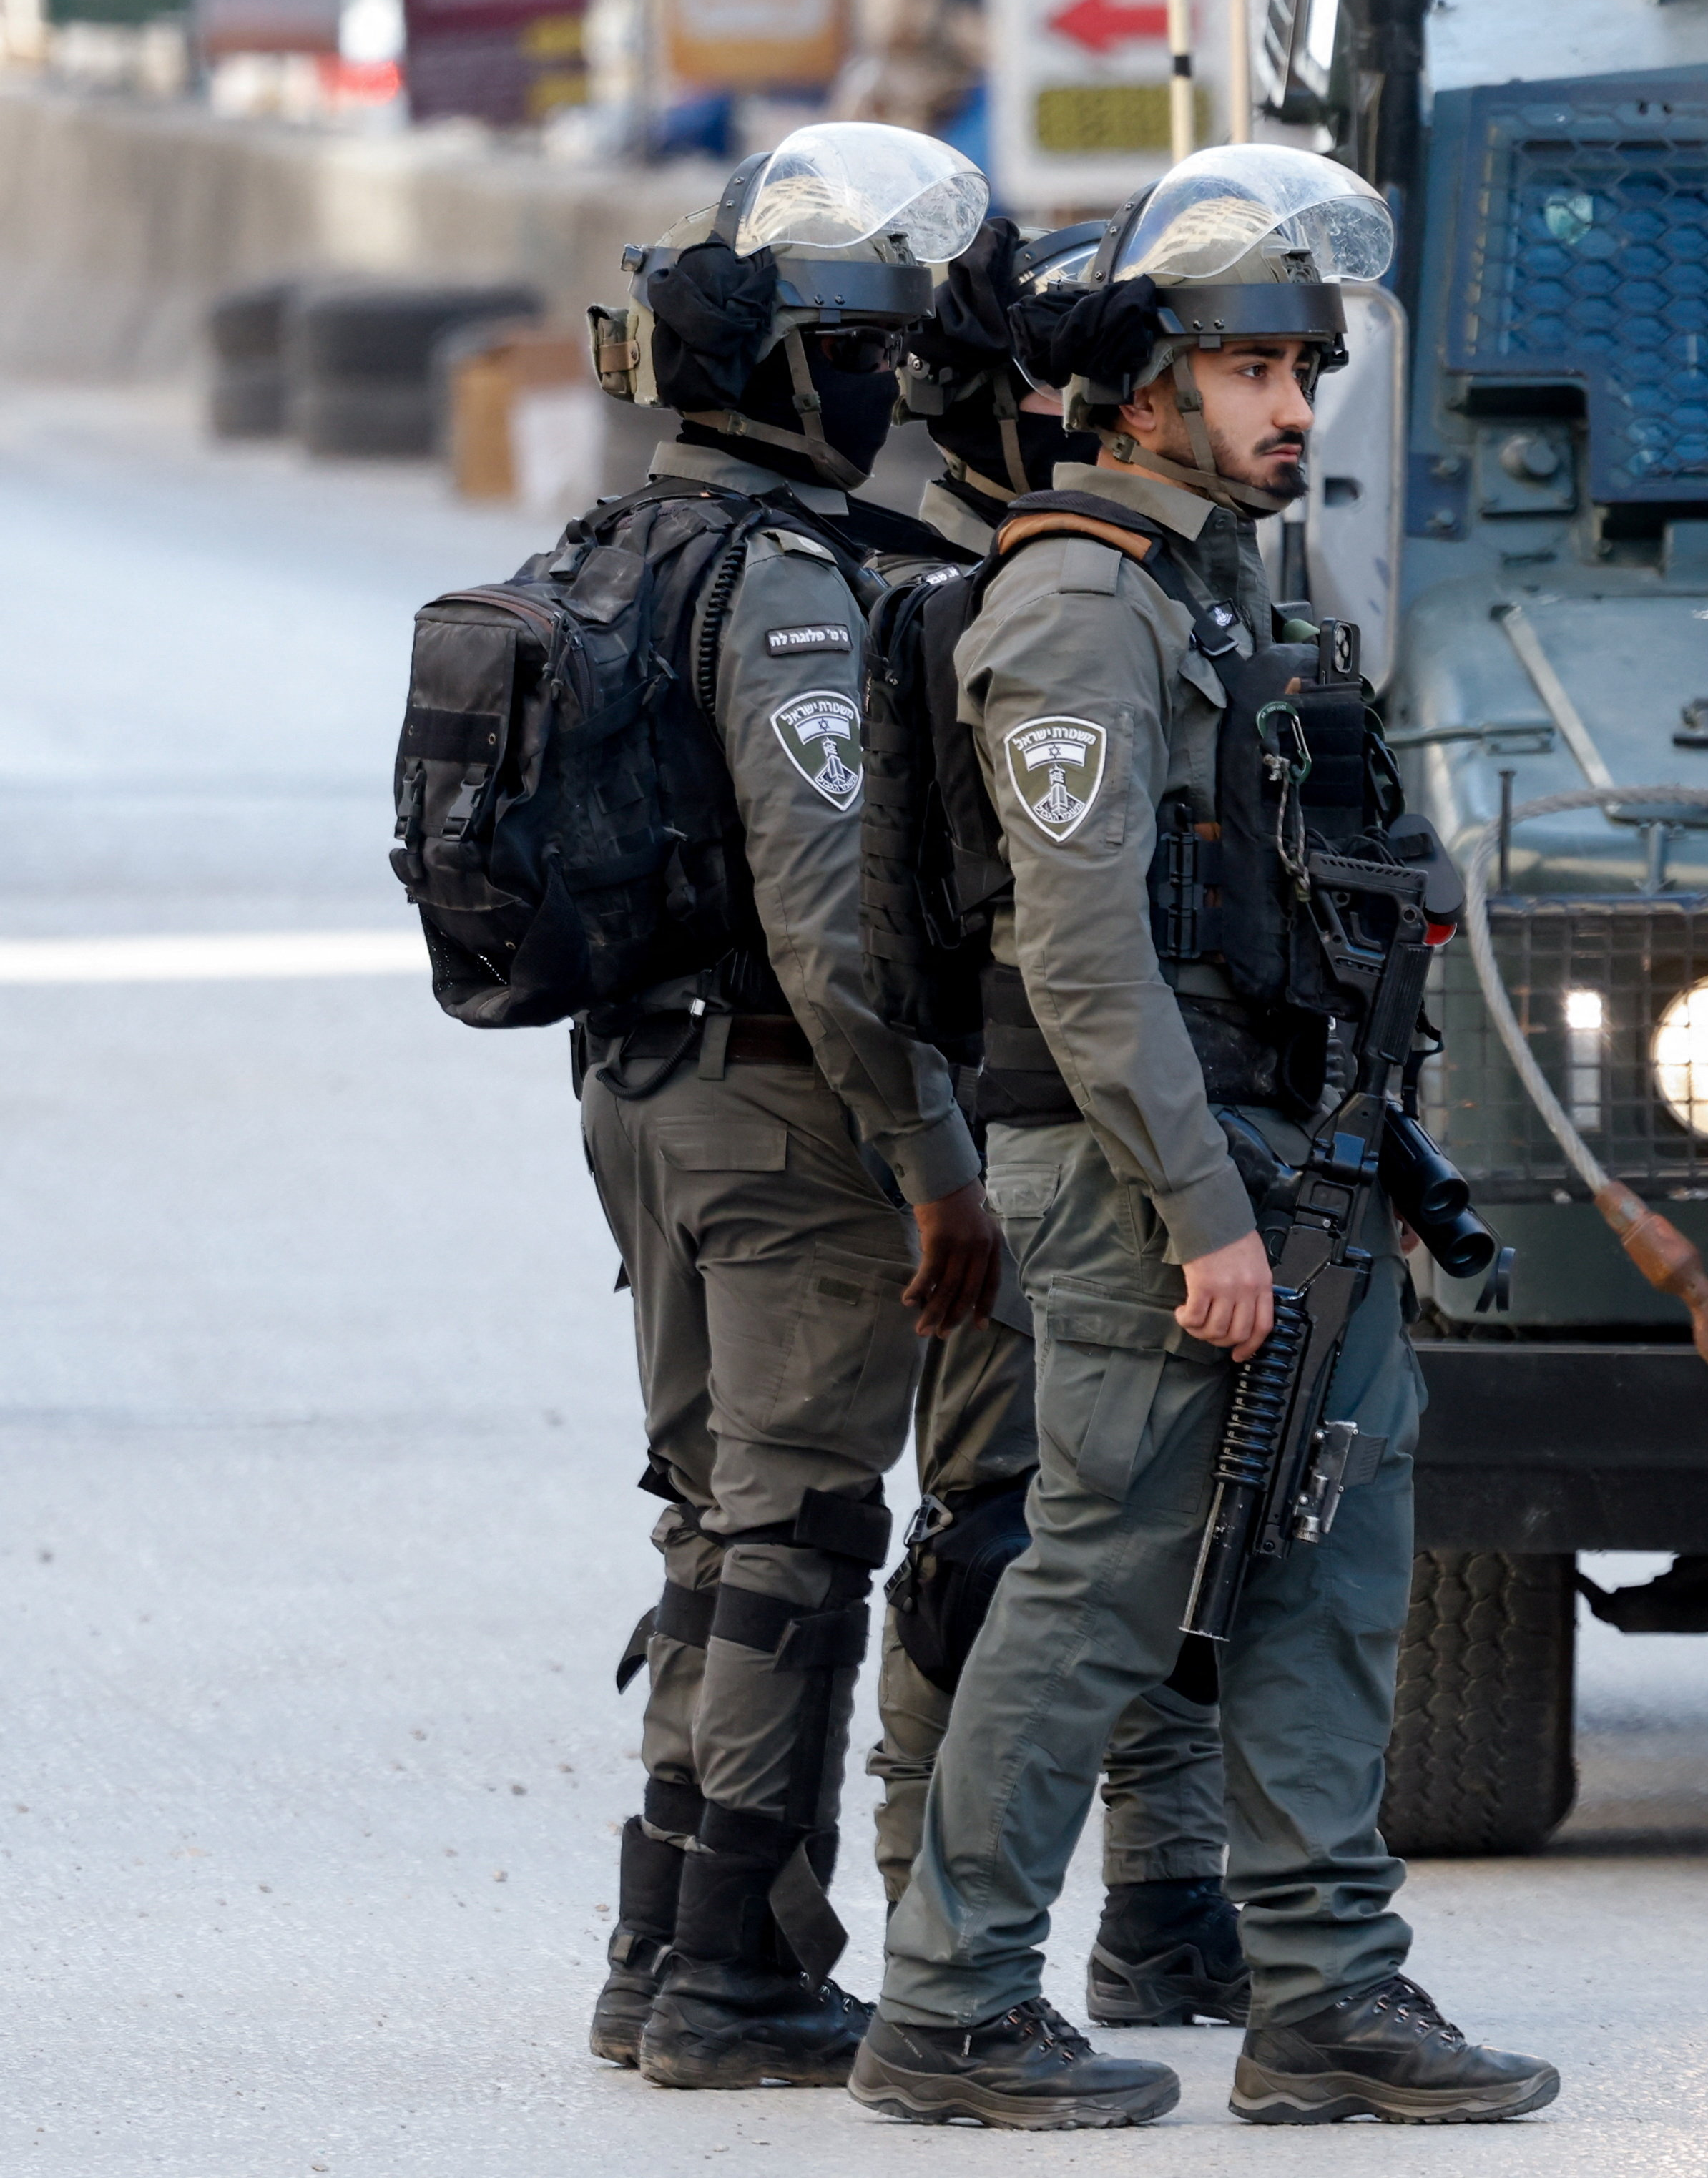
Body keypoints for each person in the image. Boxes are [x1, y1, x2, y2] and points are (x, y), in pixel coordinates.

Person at [850, 145, 1557, 2132]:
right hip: (1143, 1170)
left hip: (1279, 1154)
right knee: (1096, 1574)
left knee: (1330, 1563)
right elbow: (1080, 960)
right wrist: (1198, 1211)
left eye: (1304, 367)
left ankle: (1326, 1988)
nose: (1291, 407)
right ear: (1147, 376)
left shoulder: (1202, 586)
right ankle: (954, 1998)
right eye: (1251, 365)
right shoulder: (1074, 601)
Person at [574, 124, 1008, 2088]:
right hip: (780, 1107)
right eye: (878, 356)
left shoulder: (619, 545)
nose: (900, 393)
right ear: (812, 365)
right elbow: (835, 931)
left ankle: (656, 1943)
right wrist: (933, 1168)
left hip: (641, 1095)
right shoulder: (794, 585)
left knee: (712, 1519)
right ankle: (739, 1970)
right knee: (801, 1535)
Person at [858, 213, 1246, 2029]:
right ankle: (927, 1917)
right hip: (1021, 1142)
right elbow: (958, 944)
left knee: (1169, 1533)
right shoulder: (1013, 597)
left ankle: (1166, 1902)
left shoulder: (1159, 578)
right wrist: (941, 1166)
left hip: (1111, 1126)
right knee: (1008, 1533)